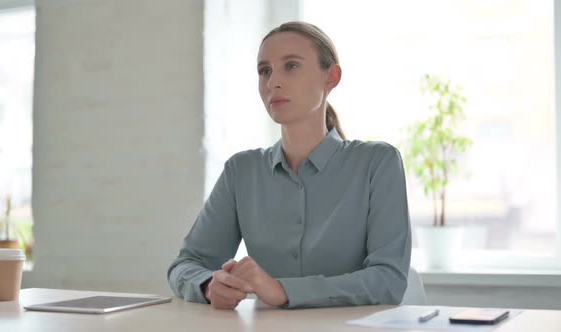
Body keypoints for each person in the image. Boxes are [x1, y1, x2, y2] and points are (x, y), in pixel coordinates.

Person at [167, 21, 411, 309]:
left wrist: (282, 290)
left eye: (291, 66)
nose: (273, 82)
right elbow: (186, 264)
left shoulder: (377, 163)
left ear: (331, 77)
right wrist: (210, 286)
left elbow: (388, 281)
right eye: (264, 70)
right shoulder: (241, 171)